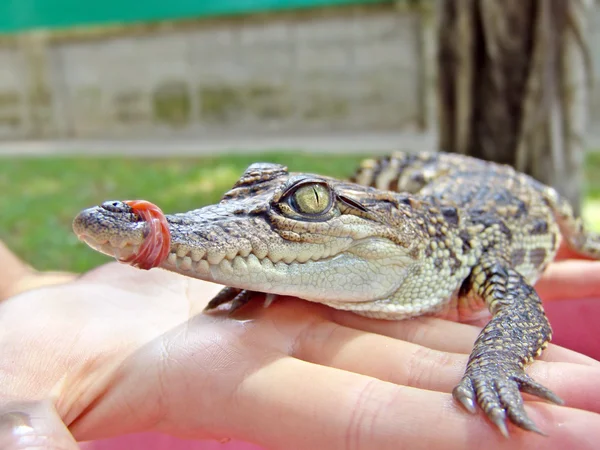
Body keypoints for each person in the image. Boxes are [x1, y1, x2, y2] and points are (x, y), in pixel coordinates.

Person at [0, 241, 599, 450]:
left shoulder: (472, 258)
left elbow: (521, 307)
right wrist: (34, 295)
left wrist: (495, 360)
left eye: (305, 204)